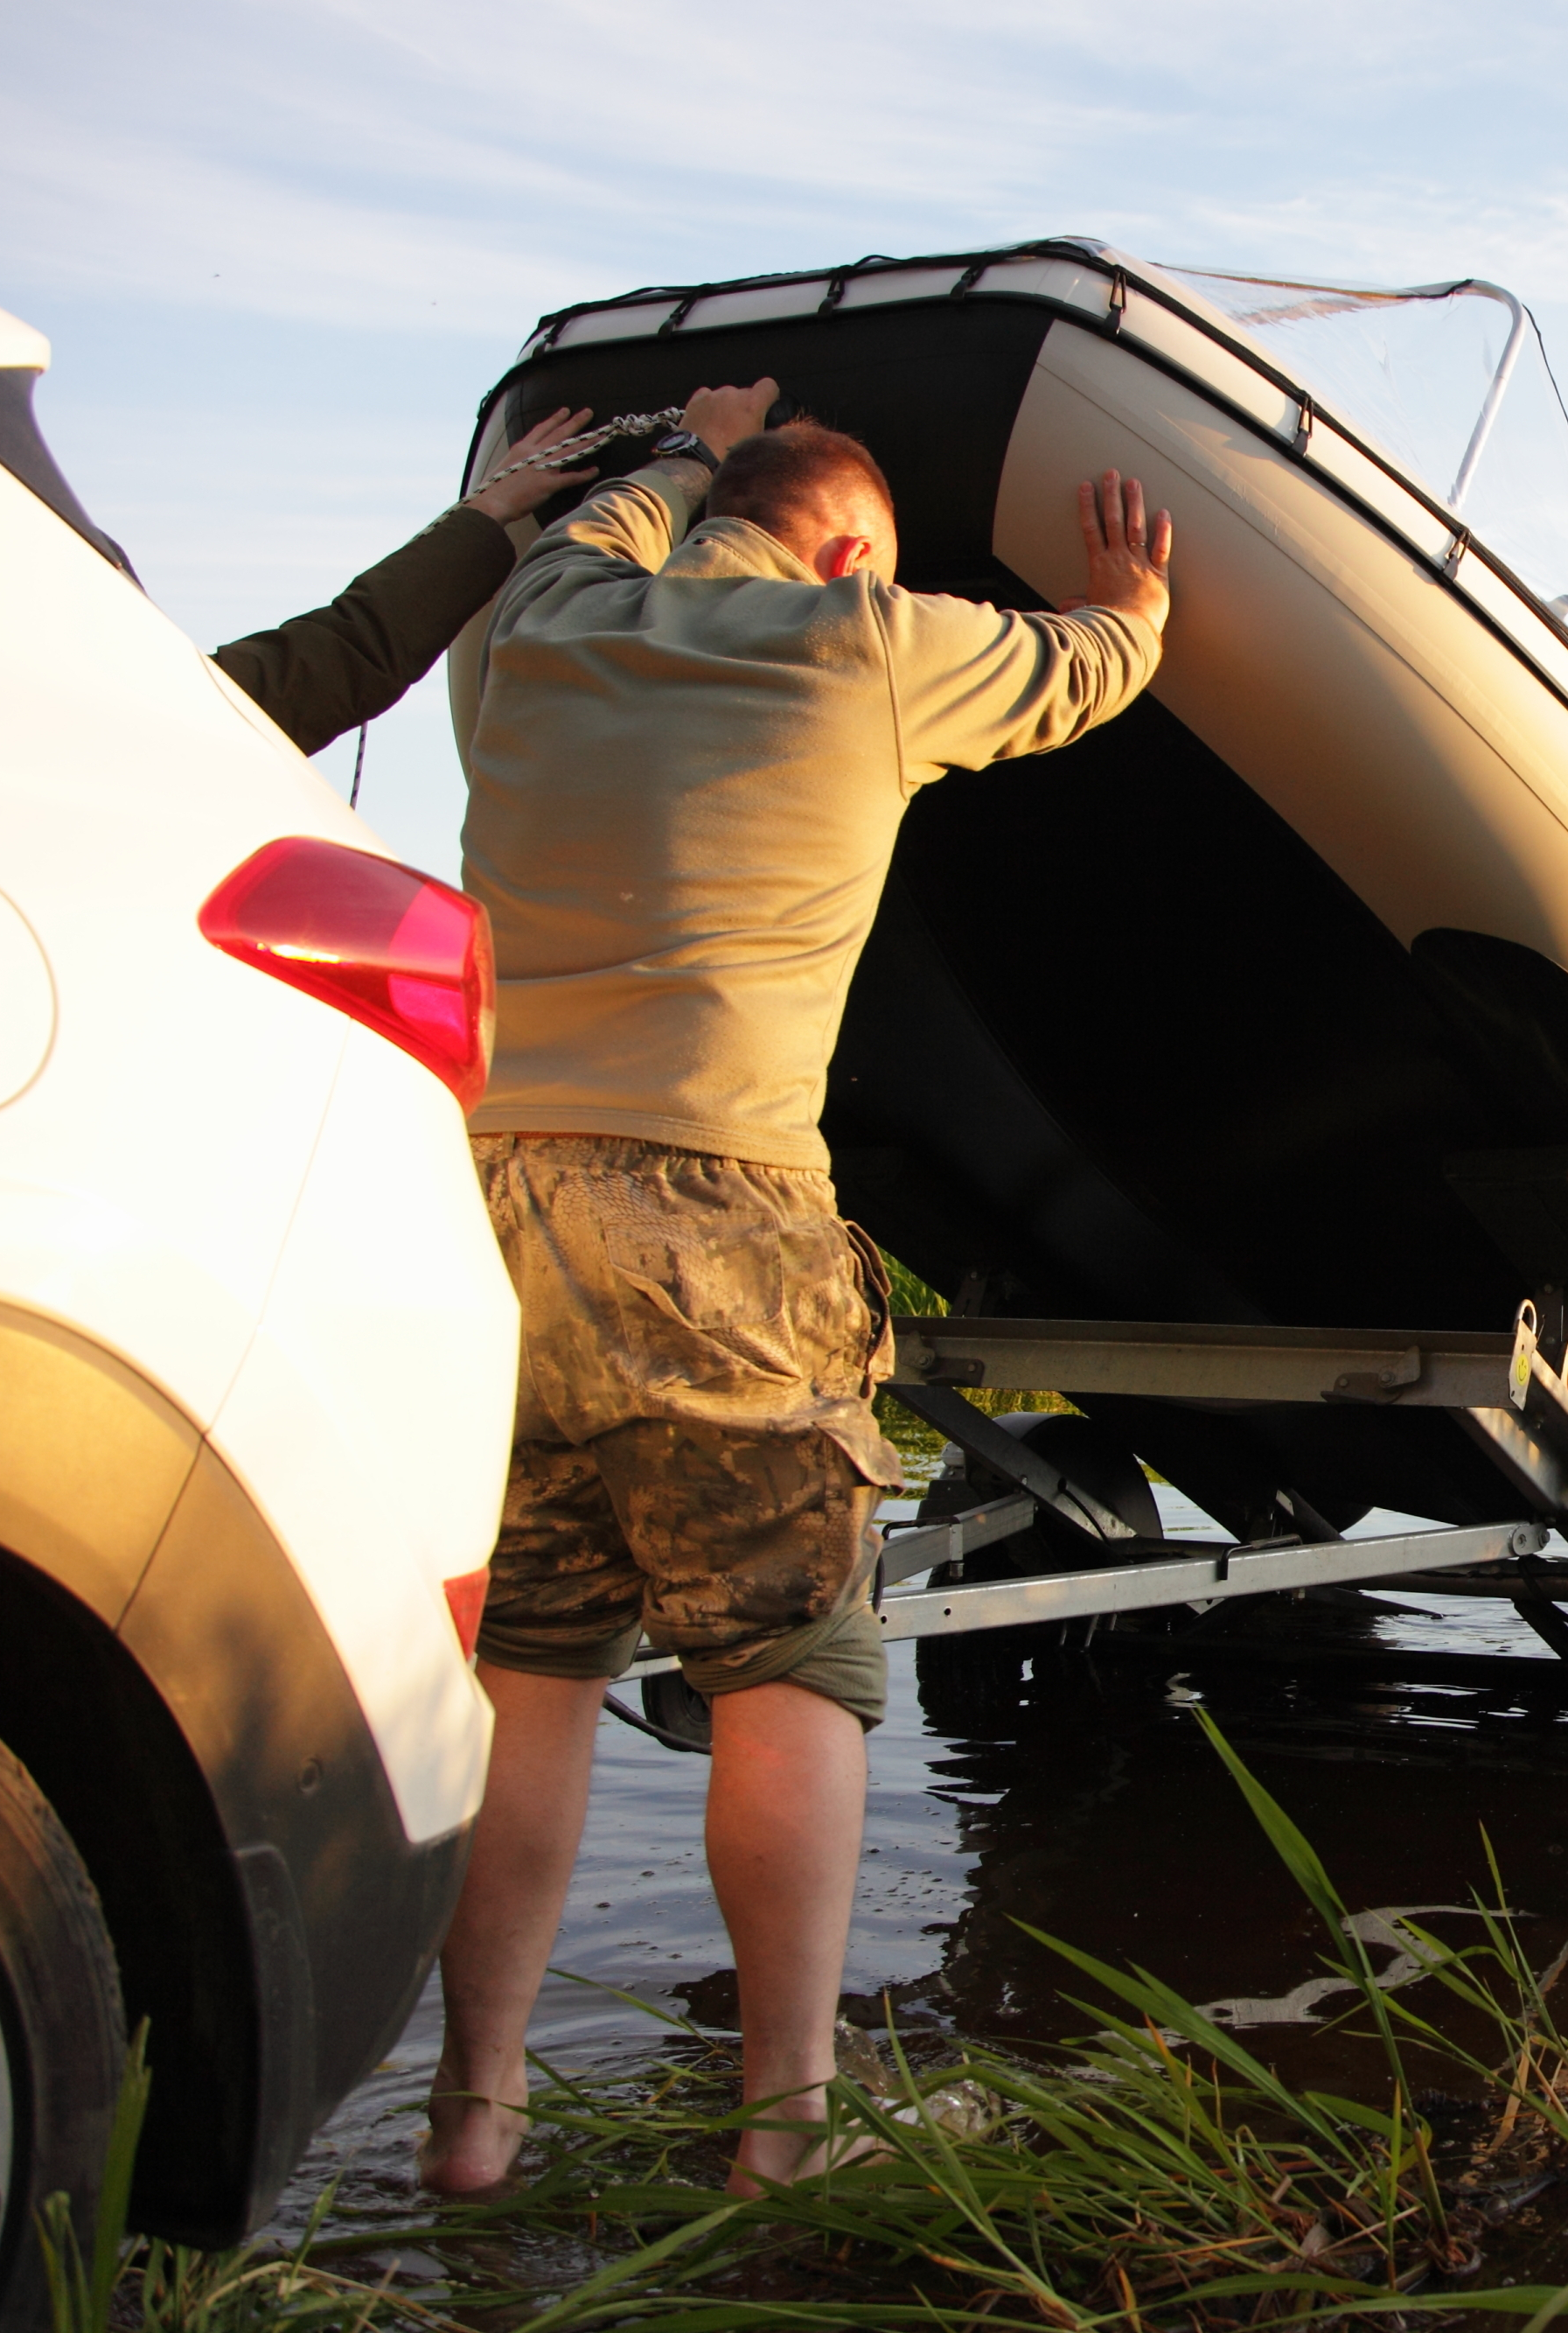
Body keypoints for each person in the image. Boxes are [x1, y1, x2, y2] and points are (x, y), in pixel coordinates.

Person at [418, 377, 1174, 2195]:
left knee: (525, 1668)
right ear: (850, 550)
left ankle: (473, 2117)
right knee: (788, 1670)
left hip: (490, 1208)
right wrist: (1136, 603)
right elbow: (1083, 670)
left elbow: (602, 529)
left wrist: (688, 442)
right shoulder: (865, 639)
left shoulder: (540, 621)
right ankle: (785, 2129)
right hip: (718, 1205)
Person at [212, 405, 602, 753]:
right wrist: (490, 506)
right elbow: (347, 653)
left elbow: (342, 655)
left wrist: (489, 507)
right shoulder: (178, 700)